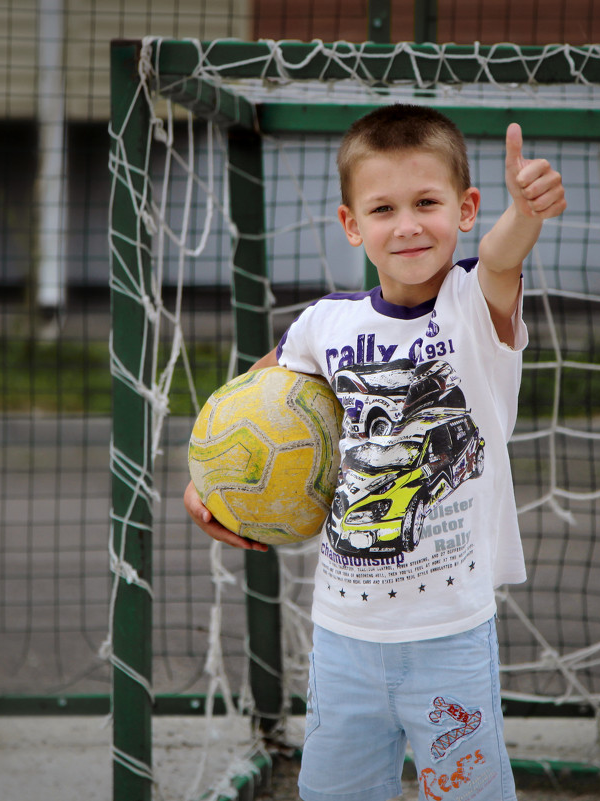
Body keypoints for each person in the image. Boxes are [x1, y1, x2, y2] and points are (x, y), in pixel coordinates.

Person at [184, 104, 565, 801]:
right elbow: (246, 406)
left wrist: (527, 211)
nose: (409, 224)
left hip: (448, 636)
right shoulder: (324, 324)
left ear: (467, 208)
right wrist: (207, 481)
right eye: (384, 208)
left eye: (427, 202)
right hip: (343, 635)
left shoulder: (473, 304)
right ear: (352, 224)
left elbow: (506, 253)